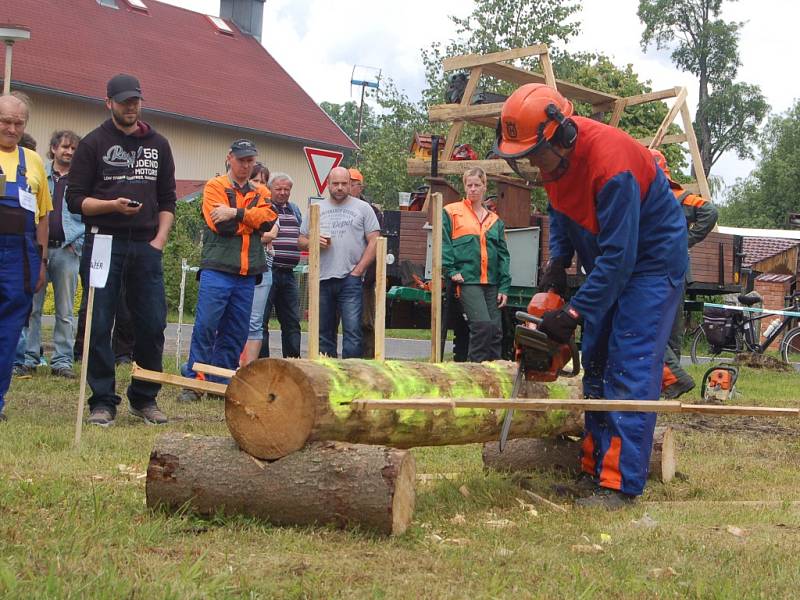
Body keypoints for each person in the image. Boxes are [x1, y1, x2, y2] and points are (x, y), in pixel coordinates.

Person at [494, 83, 687, 509]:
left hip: (650, 265)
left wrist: (576, 312)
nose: (531, 164)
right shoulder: (553, 160)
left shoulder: (612, 165)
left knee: (629, 363)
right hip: (606, 255)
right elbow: (562, 209)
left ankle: (619, 486)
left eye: (533, 154)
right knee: (596, 359)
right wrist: (558, 264)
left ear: (562, 135)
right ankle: (594, 471)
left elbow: (621, 259)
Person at [66, 74, 177, 427]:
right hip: (102, 241)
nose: (131, 107)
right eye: (124, 101)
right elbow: (74, 201)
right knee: (99, 323)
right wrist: (111, 206)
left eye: (136, 101)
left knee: (152, 323)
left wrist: (159, 240)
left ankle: (144, 398)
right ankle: (102, 400)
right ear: (109, 103)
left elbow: (168, 200)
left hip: (145, 245)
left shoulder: (158, 144)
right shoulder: (92, 144)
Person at [178, 140, 276, 397]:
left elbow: (268, 221)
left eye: (250, 161)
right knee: (206, 326)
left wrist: (234, 212)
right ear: (229, 158)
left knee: (236, 331)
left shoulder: (261, 192)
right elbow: (221, 226)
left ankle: (221, 383)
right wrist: (248, 219)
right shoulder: (215, 186)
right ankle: (195, 381)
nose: (246, 165)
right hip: (217, 269)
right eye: (242, 160)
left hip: (247, 273)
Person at [0, 94, 53, 421]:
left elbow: (43, 218)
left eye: (18, 123)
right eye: (5, 121)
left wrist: (41, 263)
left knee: (7, 333)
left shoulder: (32, 161)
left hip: (20, 256)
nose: (11, 128)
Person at [651, 149, 718, 399]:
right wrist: (685, 241)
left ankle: (672, 380)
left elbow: (710, 212)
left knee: (653, 326)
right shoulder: (679, 196)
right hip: (676, 273)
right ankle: (669, 386)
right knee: (672, 330)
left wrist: (685, 240)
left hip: (655, 273)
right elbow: (709, 212)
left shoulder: (650, 197)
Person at [15, 131, 84, 379]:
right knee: (32, 308)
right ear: (53, 148)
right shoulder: (38, 173)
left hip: (68, 250)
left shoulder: (81, 180)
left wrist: (78, 245)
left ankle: (62, 361)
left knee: (65, 310)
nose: (69, 152)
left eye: (74, 149)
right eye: (65, 147)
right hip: (39, 249)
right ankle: (29, 357)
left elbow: (88, 215)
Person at [299, 166, 380, 358]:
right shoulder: (316, 209)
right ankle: (326, 376)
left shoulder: (363, 208)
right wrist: (312, 241)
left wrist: (358, 271)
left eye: (345, 184)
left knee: (352, 332)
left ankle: (350, 375)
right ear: (328, 185)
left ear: (351, 184)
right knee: (323, 333)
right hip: (322, 278)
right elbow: (300, 240)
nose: (340, 188)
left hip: (350, 278)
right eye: (336, 184)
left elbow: (375, 241)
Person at [442, 167, 511, 362]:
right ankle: (476, 374)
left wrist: (504, 286)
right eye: (469, 185)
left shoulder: (495, 221)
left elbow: (504, 255)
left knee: (496, 332)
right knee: (482, 326)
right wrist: (451, 270)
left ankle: (495, 377)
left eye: (477, 185)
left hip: (491, 282)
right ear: (464, 187)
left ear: (484, 187)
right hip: (467, 280)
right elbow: (444, 244)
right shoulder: (451, 212)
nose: (473, 189)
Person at [258, 172, 303, 359]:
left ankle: (293, 364)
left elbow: (302, 234)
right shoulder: (265, 208)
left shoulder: (294, 210)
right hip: (268, 271)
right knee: (262, 321)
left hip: (289, 274)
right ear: (270, 189)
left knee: (292, 322)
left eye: (287, 189)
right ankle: (263, 364)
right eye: (279, 189)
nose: (283, 192)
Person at [240, 162, 280, 366]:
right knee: (235, 320)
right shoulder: (238, 201)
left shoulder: (269, 206)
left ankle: (247, 369)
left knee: (255, 322)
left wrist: (248, 228)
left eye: (263, 182)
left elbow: (270, 233)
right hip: (238, 268)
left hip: (263, 269)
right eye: (255, 180)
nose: (259, 185)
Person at [349, 167, 384, 358]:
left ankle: (368, 360)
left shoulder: (372, 212)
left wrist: (366, 273)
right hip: (339, 274)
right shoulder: (332, 209)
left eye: (353, 184)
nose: (348, 187)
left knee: (365, 322)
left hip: (364, 277)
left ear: (360, 187)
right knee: (332, 320)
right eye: (347, 183)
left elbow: (376, 243)